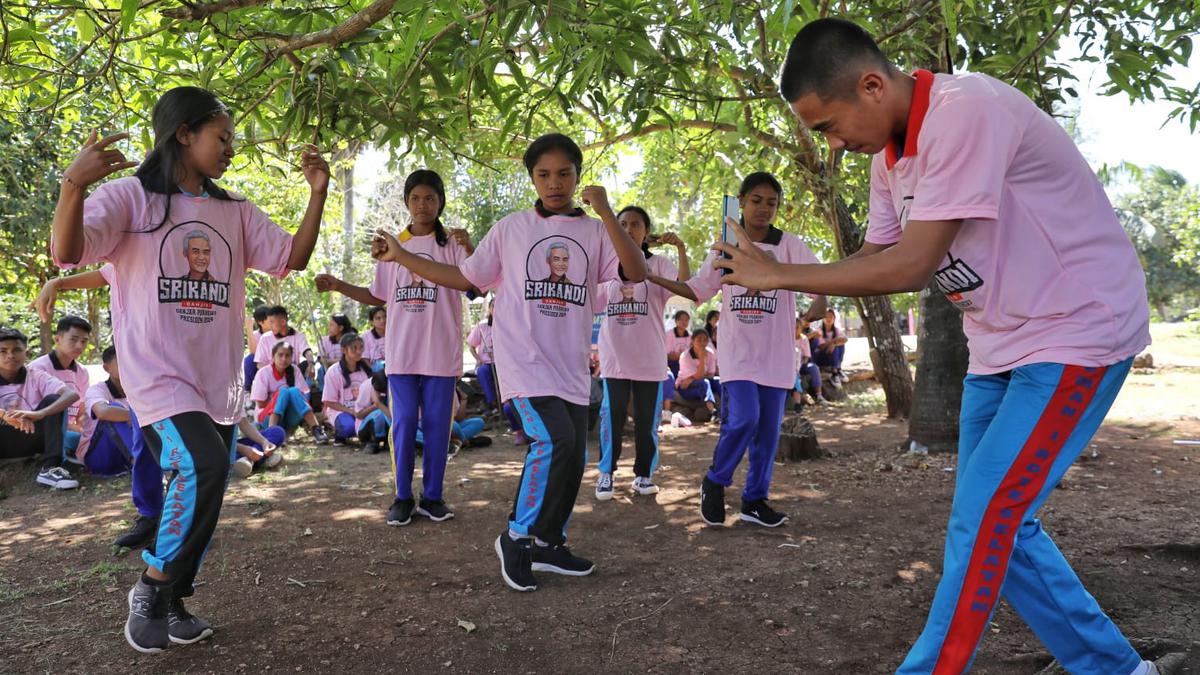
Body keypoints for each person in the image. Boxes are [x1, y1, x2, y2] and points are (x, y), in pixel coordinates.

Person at [711, 18, 1165, 674]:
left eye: (829, 127)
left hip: (1076, 332)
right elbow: (876, 254)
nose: (834, 145)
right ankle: (1118, 668)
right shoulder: (886, 156)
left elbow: (911, 266)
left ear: (872, 85)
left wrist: (776, 272)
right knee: (994, 527)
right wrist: (768, 259)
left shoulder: (965, 110)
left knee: (984, 524)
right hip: (999, 344)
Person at [51, 85, 329, 652]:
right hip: (157, 379)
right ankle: (152, 587)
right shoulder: (130, 200)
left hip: (219, 385)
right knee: (201, 467)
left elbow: (292, 259)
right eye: (221, 137)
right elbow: (68, 250)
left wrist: (318, 194)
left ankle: (175, 601)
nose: (230, 148)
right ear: (184, 133)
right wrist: (74, 184)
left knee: (207, 491)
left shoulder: (234, 212)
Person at [370, 133, 647, 592]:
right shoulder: (512, 228)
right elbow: (463, 277)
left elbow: (635, 272)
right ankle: (517, 536)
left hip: (572, 367)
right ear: (532, 179)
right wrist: (401, 256)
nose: (554, 183)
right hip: (525, 363)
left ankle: (549, 542)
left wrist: (607, 214)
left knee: (574, 456)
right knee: (552, 441)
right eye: (543, 174)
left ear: (578, 175)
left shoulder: (596, 231)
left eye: (564, 173)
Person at [649, 171, 826, 529]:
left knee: (768, 431)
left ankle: (754, 500)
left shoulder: (788, 245)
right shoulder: (726, 245)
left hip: (776, 355)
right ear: (741, 203)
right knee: (744, 419)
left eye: (771, 203)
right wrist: (651, 276)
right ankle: (716, 480)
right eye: (756, 200)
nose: (764, 208)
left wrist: (819, 300)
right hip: (738, 355)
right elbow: (699, 289)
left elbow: (816, 277)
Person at [315, 169, 472, 527]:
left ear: (441, 202)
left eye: (430, 198)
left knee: (436, 426)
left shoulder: (453, 245)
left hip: (441, 352)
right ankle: (403, 497)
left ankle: (433, 497)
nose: (422, 205)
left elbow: (475, 285)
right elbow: (377, 296)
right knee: (401, 423)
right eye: (415, 198)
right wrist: (339, 285)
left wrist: (473, 248)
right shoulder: (391, 245)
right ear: (406, 202)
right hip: (402, 355)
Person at [595, 206, 690, 501]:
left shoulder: (658, 265)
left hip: (649, 358)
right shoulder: (605, 265)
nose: (628, 228)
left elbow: (685, 287)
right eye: (622, 223)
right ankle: (606, 474)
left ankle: (643, 475)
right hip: (615, 359)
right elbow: (589, 300)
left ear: (646, 231)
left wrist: (682, 249)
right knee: (612, 416)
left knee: (648, 420)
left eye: (635, 224)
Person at [0, 327, 81, 489]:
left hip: (32, 436)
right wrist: (4, 416)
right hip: (3, 440)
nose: (10, 355)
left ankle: (50, 468)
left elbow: (71, 395)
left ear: (27, 353)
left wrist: (38, 413)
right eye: (3, 351)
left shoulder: (35, 375)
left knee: (54, 399)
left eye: (16, 350)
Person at [29, 315, 92, 462]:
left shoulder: (82, 372)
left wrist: (83, 427)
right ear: (57, 339)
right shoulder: (37, 368)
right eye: (73, 339)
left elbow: (82, 409)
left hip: (73, 431)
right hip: (44, 432)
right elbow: (34, 410)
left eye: (84, 341)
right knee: (77, 439)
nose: (79, 346)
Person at [250, 342, 329, 442]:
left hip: (288, 417)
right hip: (266, 418)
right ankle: (272, 433)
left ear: (291, 357)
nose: (284, 359)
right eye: (280, 355)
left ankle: (316, 429)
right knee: (284, 392)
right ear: (273, 357)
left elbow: (303, 397)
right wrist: (281, 399)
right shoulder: (263, 373)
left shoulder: (294, 370)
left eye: (287, 355)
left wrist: (287, 398)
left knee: (293, 391)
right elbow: (260, 404)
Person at [78, 345, 138, 477]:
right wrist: (142, 416)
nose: (129, 367)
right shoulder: (97, 390)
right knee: (113, 410)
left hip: (128, 454)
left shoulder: (140, 390)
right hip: (99, 456)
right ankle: (140, 464)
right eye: (122, 363)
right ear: (106, 368)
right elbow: (102, 412)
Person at [321, 333, 373, 444]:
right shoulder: (333, 372)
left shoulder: (366, 370)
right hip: (340, 411)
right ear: (344, 350)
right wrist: (351, 411)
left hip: (363, 410)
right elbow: (329, 402)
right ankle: (338, 431)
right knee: (348, 427)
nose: (359, 352)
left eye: (361, 348)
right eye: (354, 348)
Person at [253, 305, 314, 375]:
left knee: (305, 364)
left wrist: (311, 364)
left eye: (272, 322)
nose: (270, 326)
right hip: (272, 375)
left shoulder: (298, 336)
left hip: (292, 374)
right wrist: (272, 372)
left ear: (283, 322)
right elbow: (260, 363)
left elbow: (307, 351)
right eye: (269, 322)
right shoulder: (265, 338)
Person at [675, 329, 719, 416]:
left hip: (698, 382)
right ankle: (712, 410)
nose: (702, 342)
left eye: (705, 340)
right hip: (686, 388)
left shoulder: (710, 353)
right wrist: (702, 358)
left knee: (719, 381)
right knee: (704, 383)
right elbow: (699, 377)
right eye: (699, 339)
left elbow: (711, 374)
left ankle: (726, 411)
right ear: (692, 340)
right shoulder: (685, 356)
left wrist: (692, 378)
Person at [467, 298, 499, 414]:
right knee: (483, 371)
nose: (496, 309)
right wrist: (478, 360)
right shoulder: (482, 326)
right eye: (493, 306)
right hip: (486, 363)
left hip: (502, 364)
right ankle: (492, 404)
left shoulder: (508, 325)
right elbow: (471, 346)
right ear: (490, 309)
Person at [354, 371, 390, 454]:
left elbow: (393, 417)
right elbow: (358, 415)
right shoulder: (366, 386)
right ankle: (373, 442)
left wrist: (379, 404)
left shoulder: (393, 386)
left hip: (387, 420)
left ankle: (388, 441)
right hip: (365, 426)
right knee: (378, 414)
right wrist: (376, 405)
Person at [793, 318, 827, 407]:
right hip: (789, 366)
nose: (795, 330)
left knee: (814, 367)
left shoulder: (804, 339)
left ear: (801, 328)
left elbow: (806, 356)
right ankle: (800, 399)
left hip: (801, 364)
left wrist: (799, 366)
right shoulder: (787, 338)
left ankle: (819, 395)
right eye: (793, 327)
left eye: (797, 327)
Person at [811, 308, 848, 386]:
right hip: (820, 357)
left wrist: (835, 343)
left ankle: (838, 368)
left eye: (831, 317)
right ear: (823, 318)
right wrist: (833, 341)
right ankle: (834, 373)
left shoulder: (836, 330)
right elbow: (821, 346)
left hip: (831, 355)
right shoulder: (819, 330)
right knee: (835, 345)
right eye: (826, 317)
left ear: (834, 319)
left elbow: (845, 339)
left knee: (840, 345)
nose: (828, 319)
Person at [243, 305, 270, 391]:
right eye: (269, 319)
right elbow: (253, 352)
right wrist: (249, 328)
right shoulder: (256, 335)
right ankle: (248, 390)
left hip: (275, 364)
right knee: (249, 360)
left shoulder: (278, 333)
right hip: (260, 366)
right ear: (260, 322)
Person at [664, 310, 691, 377]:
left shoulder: (690, 336)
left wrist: (679, 355)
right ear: (676, 321)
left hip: (686, 364)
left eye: (686, 320)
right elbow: (668, 356)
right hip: (671, 364)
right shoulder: (669, 334)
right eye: (681, 319)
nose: (684, 322)